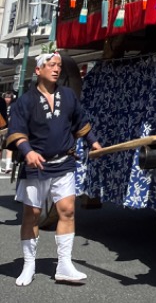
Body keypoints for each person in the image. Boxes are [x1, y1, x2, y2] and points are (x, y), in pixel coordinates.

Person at [6, 52, 102, 285]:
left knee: (67, 210)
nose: (56, 69)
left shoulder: (68, 96)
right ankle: (29, 265)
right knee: (33, 215)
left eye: (58, 65)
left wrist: (94, 143)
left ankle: (64, 265)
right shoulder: (25, 101)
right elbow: (16, 129)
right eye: (51, 65)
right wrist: (27, 150)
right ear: (38, 70)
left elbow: (81, 122)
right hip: (36, 166)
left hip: (64, 162)